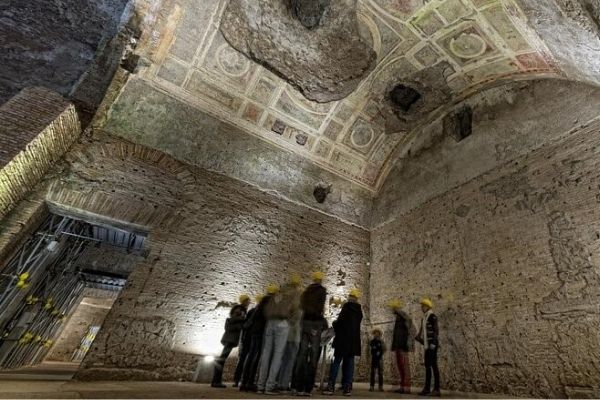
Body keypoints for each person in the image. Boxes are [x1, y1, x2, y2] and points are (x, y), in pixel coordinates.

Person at [293, 271, 328, 396]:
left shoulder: (306, 291)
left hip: (305, 323)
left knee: (302, 355)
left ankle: (298, 387)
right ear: (321, 280)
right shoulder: (322, 291)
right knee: (313, 357)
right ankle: (307, 388)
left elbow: (301, 306)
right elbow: (320, 307)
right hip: (315, 324)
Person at [323, 288, 363, 397]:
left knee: (336, 362)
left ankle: (331, 386)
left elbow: (340, 322)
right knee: (349, 364)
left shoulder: (346, 307)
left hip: (342, 340)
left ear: (350, 297)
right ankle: (347, 387)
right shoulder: (359, 311)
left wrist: (334, 323)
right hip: (352, 342)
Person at [256, 283, 292, 394]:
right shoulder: (287, 298)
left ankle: (260, 385)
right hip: (281, 324)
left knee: (266, 354)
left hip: (270, 324)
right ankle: (270, 386)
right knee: (277, 355)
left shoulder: (271, 299)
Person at [240, 287, 275, 392]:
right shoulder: (269, 301)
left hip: (255, 331)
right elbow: (266, 316)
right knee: (255, 357)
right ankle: (249, 382)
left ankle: (244, 382)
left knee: (251, 356)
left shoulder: (261, 302)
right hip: (260, 332)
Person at [211, 296, 248, 388]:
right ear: (244, 301)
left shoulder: (239, 310)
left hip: (229, 339)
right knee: (221, 359)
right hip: (230, 339)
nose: (248, 303)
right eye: (247, 301)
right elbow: (232, 322)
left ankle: (216, 381)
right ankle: (216, 381)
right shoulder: (240, 310)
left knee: (221, 359)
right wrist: (243, 320)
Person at [276, 274, 303, 392]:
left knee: (282, 359)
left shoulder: (283, 299)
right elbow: (296, 318)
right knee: (290, 360)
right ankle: (284, 384)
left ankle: (278, 382)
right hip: (293, 335)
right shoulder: (297, 299)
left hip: (283, 334)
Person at [233, 295, 261, 388]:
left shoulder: (249, 311)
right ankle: (243, 380)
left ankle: (237, 380)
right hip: (250, 337)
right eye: (248, 300)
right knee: (248, 359)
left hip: (246, 337)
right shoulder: (246, 311)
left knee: (243, 358)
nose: (249, 302)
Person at [389, 299, 415, 394]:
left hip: (402, 346)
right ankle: (402, 386)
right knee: (400, 366)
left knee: (404, 367)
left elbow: (409, 320)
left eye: (393, 308)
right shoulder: (398, 318)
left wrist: (398, 310)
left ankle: (406, 387)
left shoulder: (403, 316)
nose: (391, 310)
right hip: (397, 346)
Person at [416, 298, 440, 397]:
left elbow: (435, 330)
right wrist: (419, 338)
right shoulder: (424, 318)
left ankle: (437, 389)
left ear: (428, 307)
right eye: (422, 306)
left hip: (432, 345)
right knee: (427, 366)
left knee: (433, 366)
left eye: (423, 306)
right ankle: (427, 388)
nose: (422, 307)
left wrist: (433, 343)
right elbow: (424, 335)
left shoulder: (432, 316)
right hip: (427, 346)